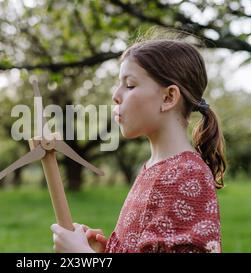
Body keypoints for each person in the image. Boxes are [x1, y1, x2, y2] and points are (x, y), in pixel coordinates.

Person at [51, 35, 226, 253]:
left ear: (168, 97)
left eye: (130, 85)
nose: (116, 95)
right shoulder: (154, 168)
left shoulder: (187, 174)